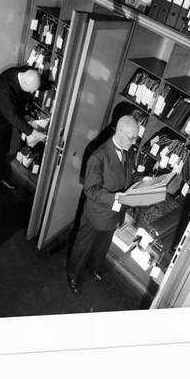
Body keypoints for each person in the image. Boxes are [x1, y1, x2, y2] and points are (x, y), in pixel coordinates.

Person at [67, 115, 139, 295]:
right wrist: (116, 198)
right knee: (83, 246)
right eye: (132, 138)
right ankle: (73, 275)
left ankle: (94, 267)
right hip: (96, 213)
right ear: (120, 133)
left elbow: (126, 177)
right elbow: (90, 190)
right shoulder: (98, 156)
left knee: (102, 246)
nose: (135, 142)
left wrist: (139, 183)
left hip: (114, 213)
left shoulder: (128, 151)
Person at [0, 66, 46, 192]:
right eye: (32, 90)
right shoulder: (3, 89)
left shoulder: (22, 73)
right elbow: (13, 116)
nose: (32, 93)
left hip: (1, 123)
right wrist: (34, 133)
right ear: (25, 83)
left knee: (0, 153)